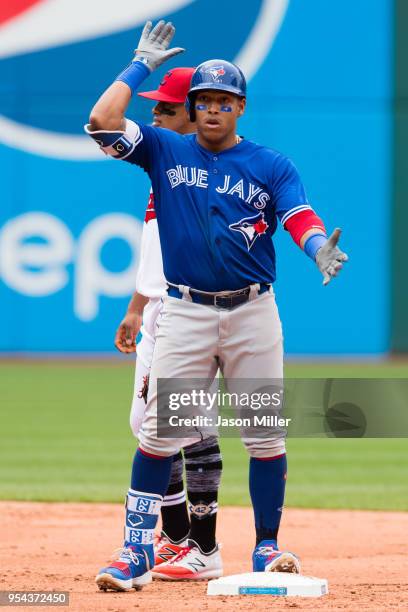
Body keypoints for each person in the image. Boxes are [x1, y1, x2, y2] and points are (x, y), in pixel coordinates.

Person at [86, 20, 348, 591]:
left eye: (223, 101)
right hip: (185, 310)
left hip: (253, 312)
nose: (211, 109)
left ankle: (267, 548)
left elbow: (297, 214)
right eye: (203, 100)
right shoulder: (163, 147)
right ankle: (135, 552)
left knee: (264, 436)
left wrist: (315, 247)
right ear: (193, 104)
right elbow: (102, 123)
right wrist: (138, 67)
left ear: (240, 107)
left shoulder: (271, 164)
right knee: (160, 435)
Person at [113, 67, 223, 581]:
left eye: (166, 108)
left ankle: (195, 543)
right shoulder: (167, 166)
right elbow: (157, 246)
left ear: (194, 113)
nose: (154, 114)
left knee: (179, 425)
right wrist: (137, 306)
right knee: (158, 426)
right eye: (155, 106)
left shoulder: (213, 171)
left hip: (192, 311)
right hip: (161, 306)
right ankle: (181, 537)